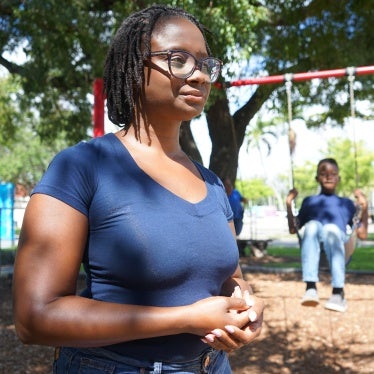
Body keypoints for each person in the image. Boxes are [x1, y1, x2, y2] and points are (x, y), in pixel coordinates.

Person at [12, 5, 264, 373]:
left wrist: (246, 307)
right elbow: (34, 317)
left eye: (207, 64)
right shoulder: (81, 167)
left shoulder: (210, 183)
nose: (200, 76)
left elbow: (229, 277)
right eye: (179, 59)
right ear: (133, 67)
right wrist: (184, 318)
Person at [286, 158, 368, 313]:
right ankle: (310, 287)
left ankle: (338, 292)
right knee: (312, 226)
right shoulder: (309, 201)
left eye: (333, 173)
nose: (329, 177)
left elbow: (362, 234)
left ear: (339, 178)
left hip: (339, 245)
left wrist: (364, 206)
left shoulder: (347, 203)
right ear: (317, 178)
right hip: (313, 245)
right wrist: (289, 203)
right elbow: (293, 229)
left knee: (331, 229)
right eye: (324, 173)